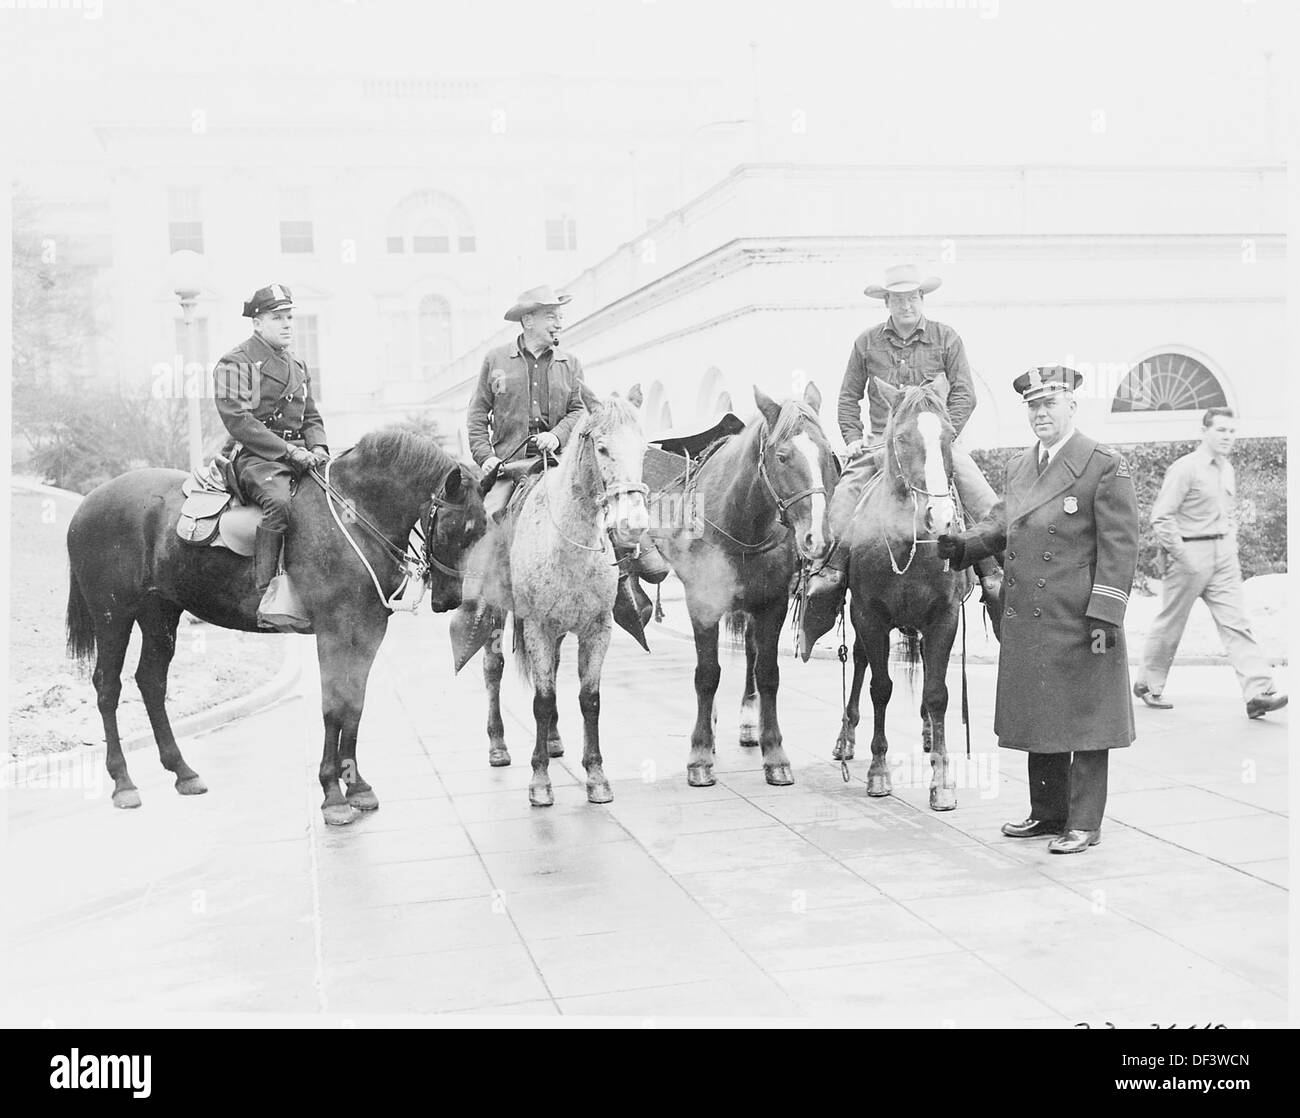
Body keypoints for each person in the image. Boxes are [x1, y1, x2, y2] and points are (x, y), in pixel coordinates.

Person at [937, 366, 1140, 855]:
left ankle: (1084, 822)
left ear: (1073, 406)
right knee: (1040, 714)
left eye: (1050, 403)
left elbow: (1121, 548)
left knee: (1088, 718)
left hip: (1081, 618)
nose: (1041, 413)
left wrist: (1105, 618)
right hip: (1029, 615)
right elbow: (1002, 523)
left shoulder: (1101, 464)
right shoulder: (1020, 467)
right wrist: (958, 546)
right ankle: (1048, 813)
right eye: (1033, 406)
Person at [803, 263, 1002, 646]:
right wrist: (852, 436)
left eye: (912, 297)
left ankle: (994, 574)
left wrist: (939, 437)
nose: (906, 304)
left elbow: (965, 393)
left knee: (982, 497)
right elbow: (848, 396)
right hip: (884, 443)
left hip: (934, 441)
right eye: (898, 298)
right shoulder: (866, 343)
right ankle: (829, 569)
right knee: (845, 495)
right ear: (887, 303)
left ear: (922, 299)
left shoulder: (947, 339)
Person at [464, 285, 665, 637]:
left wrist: (557, 436)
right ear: (528, 320)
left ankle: (626, 591)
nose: (559, 323)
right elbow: (477, 415)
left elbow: (578, 409)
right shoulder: (494, 361)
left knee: (606, 513)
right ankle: (483, 610)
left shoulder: (570, 364)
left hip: (559, 465)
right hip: (509, 469)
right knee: (489, 522)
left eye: (560, 317)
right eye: (551, 316)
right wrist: (486, 457)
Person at [1133, 407, 1287, 719]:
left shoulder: (1225, 468)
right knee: (1171, 623)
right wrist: (1183, 556)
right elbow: (1161, 518)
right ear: (1204, 431)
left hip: (1223, 557)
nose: (1228, 437)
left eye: (1232, 431)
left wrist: (1230, 545)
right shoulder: (1185, 469)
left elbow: (1227, 514)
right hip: (1188, 555)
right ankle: (1149, 684)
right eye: (1221, 431)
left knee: (1237, 623)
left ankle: (1258, 691)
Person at [212, 284, 329, 602]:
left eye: (289, 316)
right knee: (279, 505)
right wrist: (289, 450)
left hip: (300, 455)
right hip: (255, 457)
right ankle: (266, 591)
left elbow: (311, 416)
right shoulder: (236, 362)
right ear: (257, 322)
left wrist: (318, 448)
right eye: (278, 317)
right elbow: (239, 421)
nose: (288, 323)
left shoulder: (298, 365)